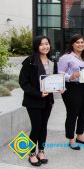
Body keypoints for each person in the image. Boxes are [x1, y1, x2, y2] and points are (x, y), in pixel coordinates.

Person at [19, 35, 62, 166]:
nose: (45, 46)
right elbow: (23, 82)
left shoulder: (52, 61)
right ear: (37, 46)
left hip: (48, 101)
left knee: (43, 127)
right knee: (36, 127)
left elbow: (53, 80)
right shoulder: (30, 61)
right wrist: (38, 94)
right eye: (42, 44)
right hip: (33, 101)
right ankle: (31, 154)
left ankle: (41, 151)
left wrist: (59, 88)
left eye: (47, 43)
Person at [57, 34, 84, 150]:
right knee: (73, 114)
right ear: (72, 44)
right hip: (72, 87)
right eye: (77, 42)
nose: (80, 44)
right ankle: (71, 139)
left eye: (82, 42)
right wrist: (71, 76)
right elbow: (60, 73)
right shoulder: (65, 57)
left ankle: (80, 135)